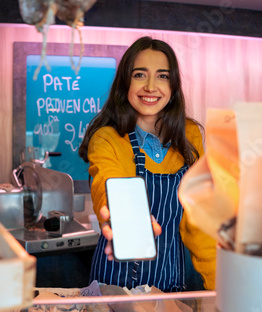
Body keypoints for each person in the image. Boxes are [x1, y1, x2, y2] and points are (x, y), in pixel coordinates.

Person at [78, 36, 216, 292]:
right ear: (125, 82)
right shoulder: (107, 137)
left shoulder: (190, 136)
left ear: (173, 86)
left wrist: (221, 288)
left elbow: (198, 222)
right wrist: (119, 219)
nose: (151, 86)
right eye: (140, 75)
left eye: (162, 76)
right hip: (114, 281)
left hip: (168, 281)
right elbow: (107, 182)